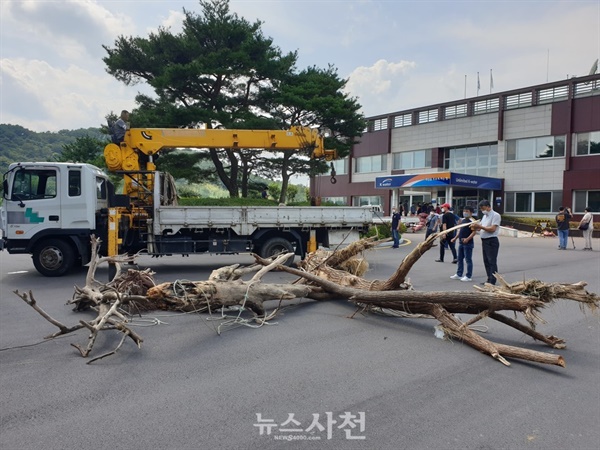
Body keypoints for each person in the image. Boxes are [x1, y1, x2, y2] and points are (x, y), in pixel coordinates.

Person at [471, 199, 501, 285]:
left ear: (488, 207)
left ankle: (492, 281)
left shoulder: (495, 215)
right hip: (484, 240)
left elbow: (492, 229)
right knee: (486, 260)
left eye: (483, 208)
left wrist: (480, 226)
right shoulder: (485, 216)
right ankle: (489, 278)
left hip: (491, 240)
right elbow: (482, 227)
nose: (482, 210)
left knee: (492, 261)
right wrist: (476, 227)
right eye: (481, 209)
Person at [450, 206, 477, 282]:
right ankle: (459, 274)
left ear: (471, 212)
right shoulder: (463, 220)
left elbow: (474, 232)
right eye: (464, 211)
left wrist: (467, 239)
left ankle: (468, 275)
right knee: (459, 259)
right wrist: (455, 238)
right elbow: (460, 231)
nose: (465, 212)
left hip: (468, 244)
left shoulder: (473, 221)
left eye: (467, 211)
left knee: (468, 260)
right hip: (461, 243)